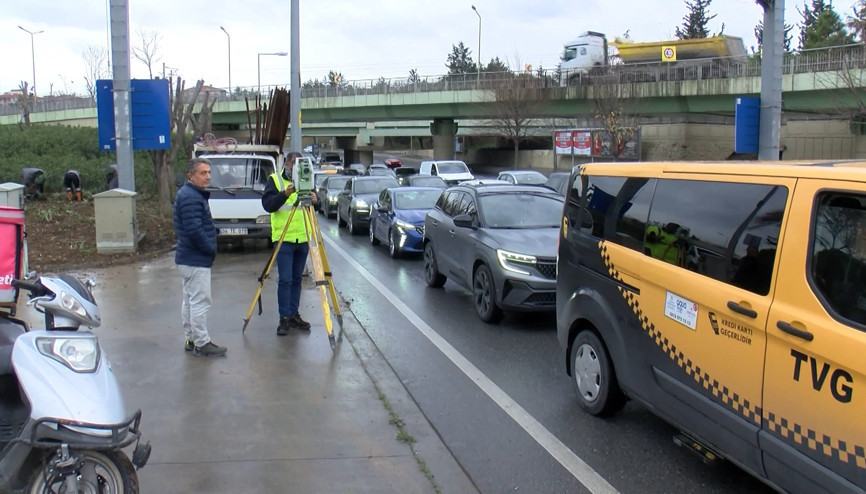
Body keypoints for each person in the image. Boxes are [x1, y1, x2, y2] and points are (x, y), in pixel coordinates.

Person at [173, 157, 227, 357]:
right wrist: (210, 248)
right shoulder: (191, 197)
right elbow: (194, 230)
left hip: (188, 258)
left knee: (189, 300)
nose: (208, 177)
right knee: (200, 302)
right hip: (195, 258)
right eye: (203, 173)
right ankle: (202, 343)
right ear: (191, 175)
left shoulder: (190, 194)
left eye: (209, 172)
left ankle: (191, 338)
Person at [261, 152, 318, 336]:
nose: (298, 170)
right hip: (283, 238)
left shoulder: (307, 180)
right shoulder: (275, 180)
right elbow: (268, 205)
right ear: (288, 164)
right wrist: (285, 194)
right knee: (285, 280)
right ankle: (283, 317)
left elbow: (315, 204)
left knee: (296, 280)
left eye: (302, 166)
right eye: (296, 165)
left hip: (302, 238)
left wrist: (317, 200)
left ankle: (293, 314)